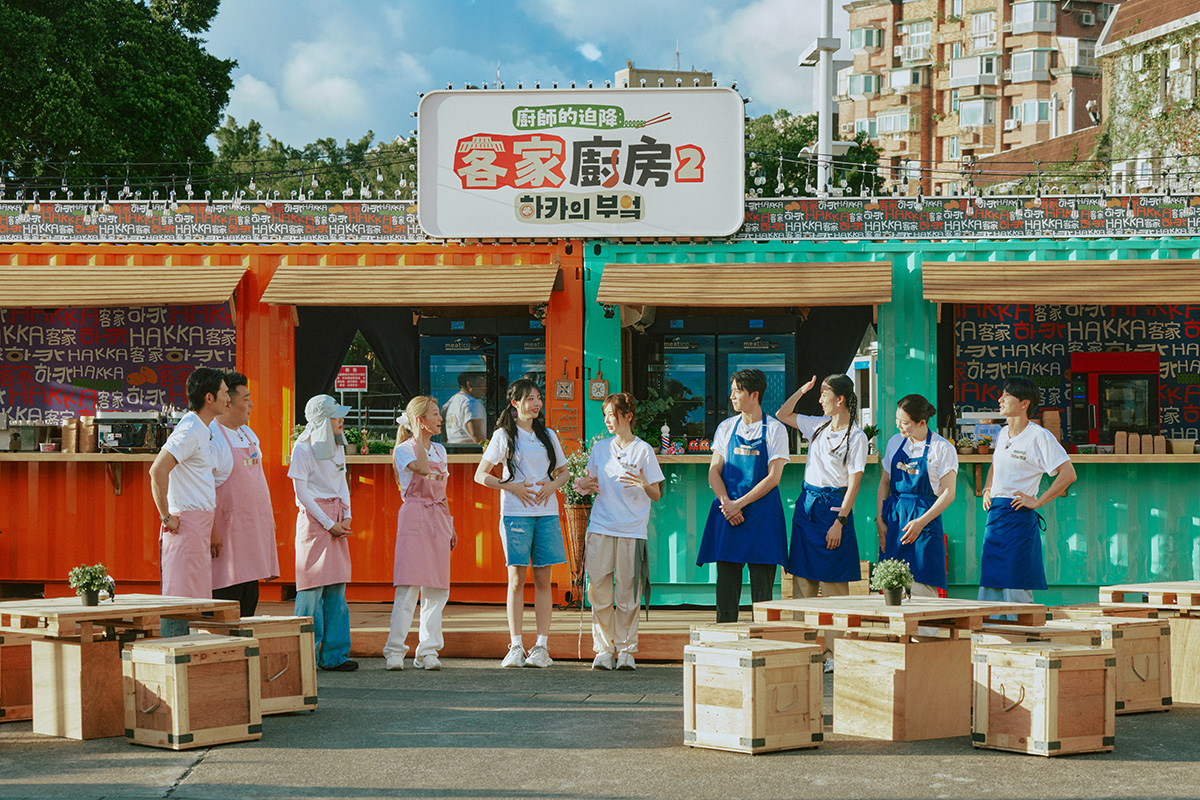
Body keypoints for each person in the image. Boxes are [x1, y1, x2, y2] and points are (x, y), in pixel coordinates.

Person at [474, 379, 569, 668]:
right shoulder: (504, 435)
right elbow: (481, 474)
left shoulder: (548, 435)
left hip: (547, 514)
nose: (535, 403)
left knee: (543, 580)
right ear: (515, 403)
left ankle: (541, 646)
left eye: (538, 397)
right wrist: (510, 486)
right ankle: (515, 645)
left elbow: (563, 473)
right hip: (515, 514)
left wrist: (552, 486)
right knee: (516, 579)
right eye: (529, 398)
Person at [573, 393, 664, 670]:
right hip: (601, 526)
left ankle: (626, 650)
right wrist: (583, 485)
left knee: (628, 593)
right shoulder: (600, 448)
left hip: (631, 530)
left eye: (612, 415)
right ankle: (603, 649)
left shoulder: (643, 450)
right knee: (598, 591)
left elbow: (656, 493)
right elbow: (590, 483)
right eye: (605, 416)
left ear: (628, 416)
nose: (608, 421)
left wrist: (643, 484)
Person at [696, 369, 789, 624]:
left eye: (738, 391)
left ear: (754, 394)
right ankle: (724, 645)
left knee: (762, 591)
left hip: (762, 516)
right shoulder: (726, 427)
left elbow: (773, 478)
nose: (732, 396)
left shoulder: (776, 430)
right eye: (733, 390)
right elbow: (714, 471)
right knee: (726, 585)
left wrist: (739, 504)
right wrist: (727, 503)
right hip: (728, 514)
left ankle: (762, 647)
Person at [980, 377, 1076, 604]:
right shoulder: (1002, 433)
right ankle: (992, 635)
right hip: (995, 517)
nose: (1000, 399)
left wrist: (1038, 501)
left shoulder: (1039, 436)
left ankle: (1021, 635)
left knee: (1016, 584)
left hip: (1018, 518)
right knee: (991, 586)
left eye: (1007, 395)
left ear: (1024, 403)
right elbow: (996, 463)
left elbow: (1068, 473)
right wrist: (987, 488)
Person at [149, 367, 229, 637]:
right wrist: (166, 516)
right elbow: (158, 470)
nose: (228, 398)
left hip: (198, 523)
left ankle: (178, 661)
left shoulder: (201, 428)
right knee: (178, 601)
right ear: (209, 397)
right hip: (185, 523)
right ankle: (170, 664)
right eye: (225, 393)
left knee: (189, 601)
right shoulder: (190, 428)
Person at [383, 396, 458, 671]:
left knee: (437, 588)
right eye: (435, 414)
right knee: (409, 585)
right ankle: (394, 650)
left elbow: (443, 491)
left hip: (438, 517)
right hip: (415, 516)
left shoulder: (441, 450)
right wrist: (417, 438)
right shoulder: (404, 450)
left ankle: (427, 651)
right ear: (420, 420)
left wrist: (450, 524)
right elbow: (423, 469)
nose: (440, 419)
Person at [778, 374, 867, 599]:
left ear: (840, 399)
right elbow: (782, 414)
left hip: (834, 509)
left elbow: (853, 486)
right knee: (801, 577)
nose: (820, 400)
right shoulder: (817, 426)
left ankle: (834, 635)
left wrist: (840, 521)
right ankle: (805, 633)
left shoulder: (856, 437)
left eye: (824, 394)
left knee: (833, 580)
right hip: (808, 505)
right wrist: (802, 390)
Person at [290, 395, 357, 672]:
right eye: (336, 416)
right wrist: (328, 522)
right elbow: (301, 492)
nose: (341, 420)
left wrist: (347, 513)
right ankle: (303, 656)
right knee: (310, 590)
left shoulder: (337, 446)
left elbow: (342, 481)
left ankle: (334, 655)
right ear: (322, 420)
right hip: (316, 519)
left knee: (336, 589)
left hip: (335, 517)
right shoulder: (302, 449)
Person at [209, 371, 279, 617]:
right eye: (246, 398)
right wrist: (211, 529)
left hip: (251, 530)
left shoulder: (248, 434)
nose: (251, 404)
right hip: (225, 534)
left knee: (250, 595)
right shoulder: (212, 435)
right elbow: (203, 486)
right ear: (228, 402)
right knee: (227, 597)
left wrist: (267, 517)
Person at [876, 394, 957, 597]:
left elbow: (948, 493)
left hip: (925, 521)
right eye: (897, 420)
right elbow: (884, 483)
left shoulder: (942, 448)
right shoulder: (895, 443)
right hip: (895, 520)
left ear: (922, 422)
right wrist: (880, 520)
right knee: (892, 586)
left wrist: (921, 522)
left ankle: (925, 629)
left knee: (922, 587)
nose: (899, 426)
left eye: (904, 423)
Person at [442, 371, 487, 445]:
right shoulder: (471, 403)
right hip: (469, 451)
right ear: (469, 384)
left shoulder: (452, 401)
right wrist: (485, 451)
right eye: (482, 382)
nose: (485, 388)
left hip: (453, 449)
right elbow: (476, 434)